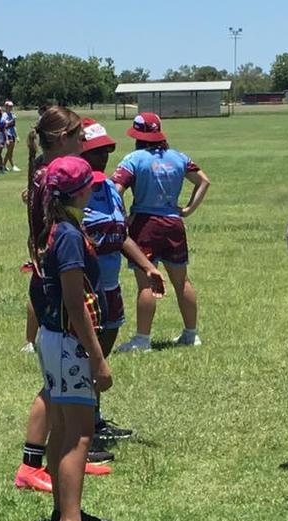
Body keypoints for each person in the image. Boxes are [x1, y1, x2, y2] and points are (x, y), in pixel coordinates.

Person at [15, 107, 114, 493]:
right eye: (77, 137)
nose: (83, 143)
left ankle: (66, 453)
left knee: (59, 384)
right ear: (59, 140)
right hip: (58, 284)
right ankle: (35, 463)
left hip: (55, 277)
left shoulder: (47, 177)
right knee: (54, 383)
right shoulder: (49, 180)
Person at [32, 156, 116, 521]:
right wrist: (98, 357)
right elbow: (74, 300)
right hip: (68, 341)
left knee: (64, 429)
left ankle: (66, 509)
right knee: (79, 434)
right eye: (90, 185)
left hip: (55, 339)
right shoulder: (66, 233)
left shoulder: (59, 224)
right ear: (80, 190)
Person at [81, 118, 166, 443]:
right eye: (94, 151)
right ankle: (82, 424)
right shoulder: (74, 191)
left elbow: (121, 234)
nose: (101, 157)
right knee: (86, 356)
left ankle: (95, 417)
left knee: (100, 355)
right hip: (85, 287)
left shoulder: (108, 190)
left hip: (111, 286)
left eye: (104, 150)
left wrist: (147, 266)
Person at [112, 112, 211, 352]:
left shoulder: (134, 159)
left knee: (145, 284)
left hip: (144, 224)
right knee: (182, 280)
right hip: (174, 224)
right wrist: (187, 210)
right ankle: (191, 334)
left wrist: (121, 217)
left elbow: (116, 189)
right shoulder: (179, 157)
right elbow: (203, 181)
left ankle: (142, 339)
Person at [2, 100, 20, 172]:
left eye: (11, 106)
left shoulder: (12, 115)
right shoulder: (4, 115)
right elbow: (5, 124)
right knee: (9, 151)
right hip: (7, 134)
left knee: (11, 151)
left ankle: (4, 165)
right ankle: (12, 165)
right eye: (9, 106)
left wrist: (17, 135)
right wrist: (12, 120)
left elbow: (14, 126)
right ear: (6, 107)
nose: (11, 108)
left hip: (12, 133)